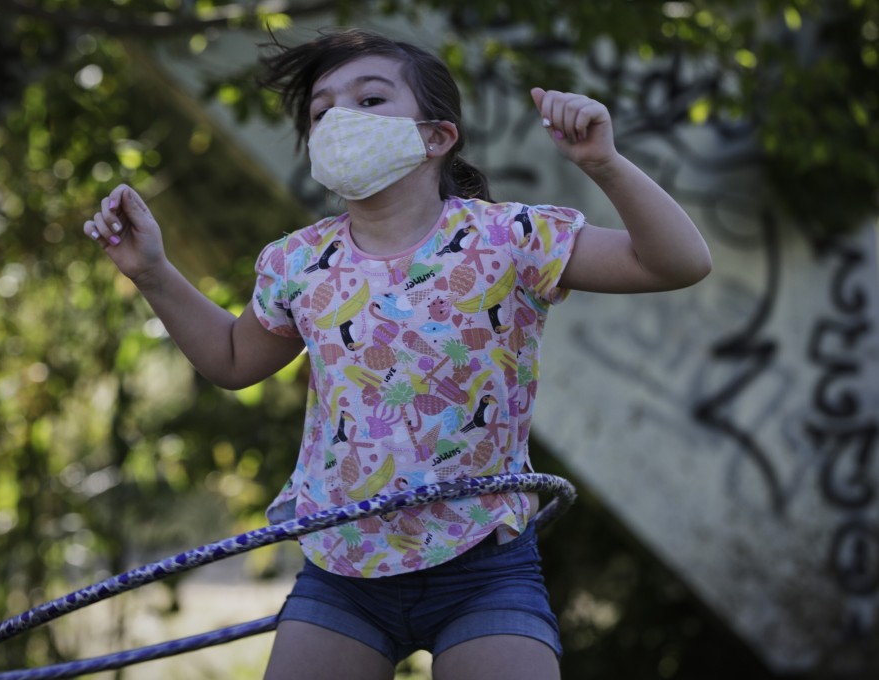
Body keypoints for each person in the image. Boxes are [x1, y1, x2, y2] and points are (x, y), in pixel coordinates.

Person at [83, 28, 711, 680]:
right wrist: (153, 272)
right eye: (322, 111)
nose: (340, 119)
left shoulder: (509, 237)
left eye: (371, 98)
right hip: (342, 572)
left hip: (483, 567)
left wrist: (604, 163)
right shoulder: (298, 263)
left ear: (436, 137)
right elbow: (233, 362)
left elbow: (677, 261)